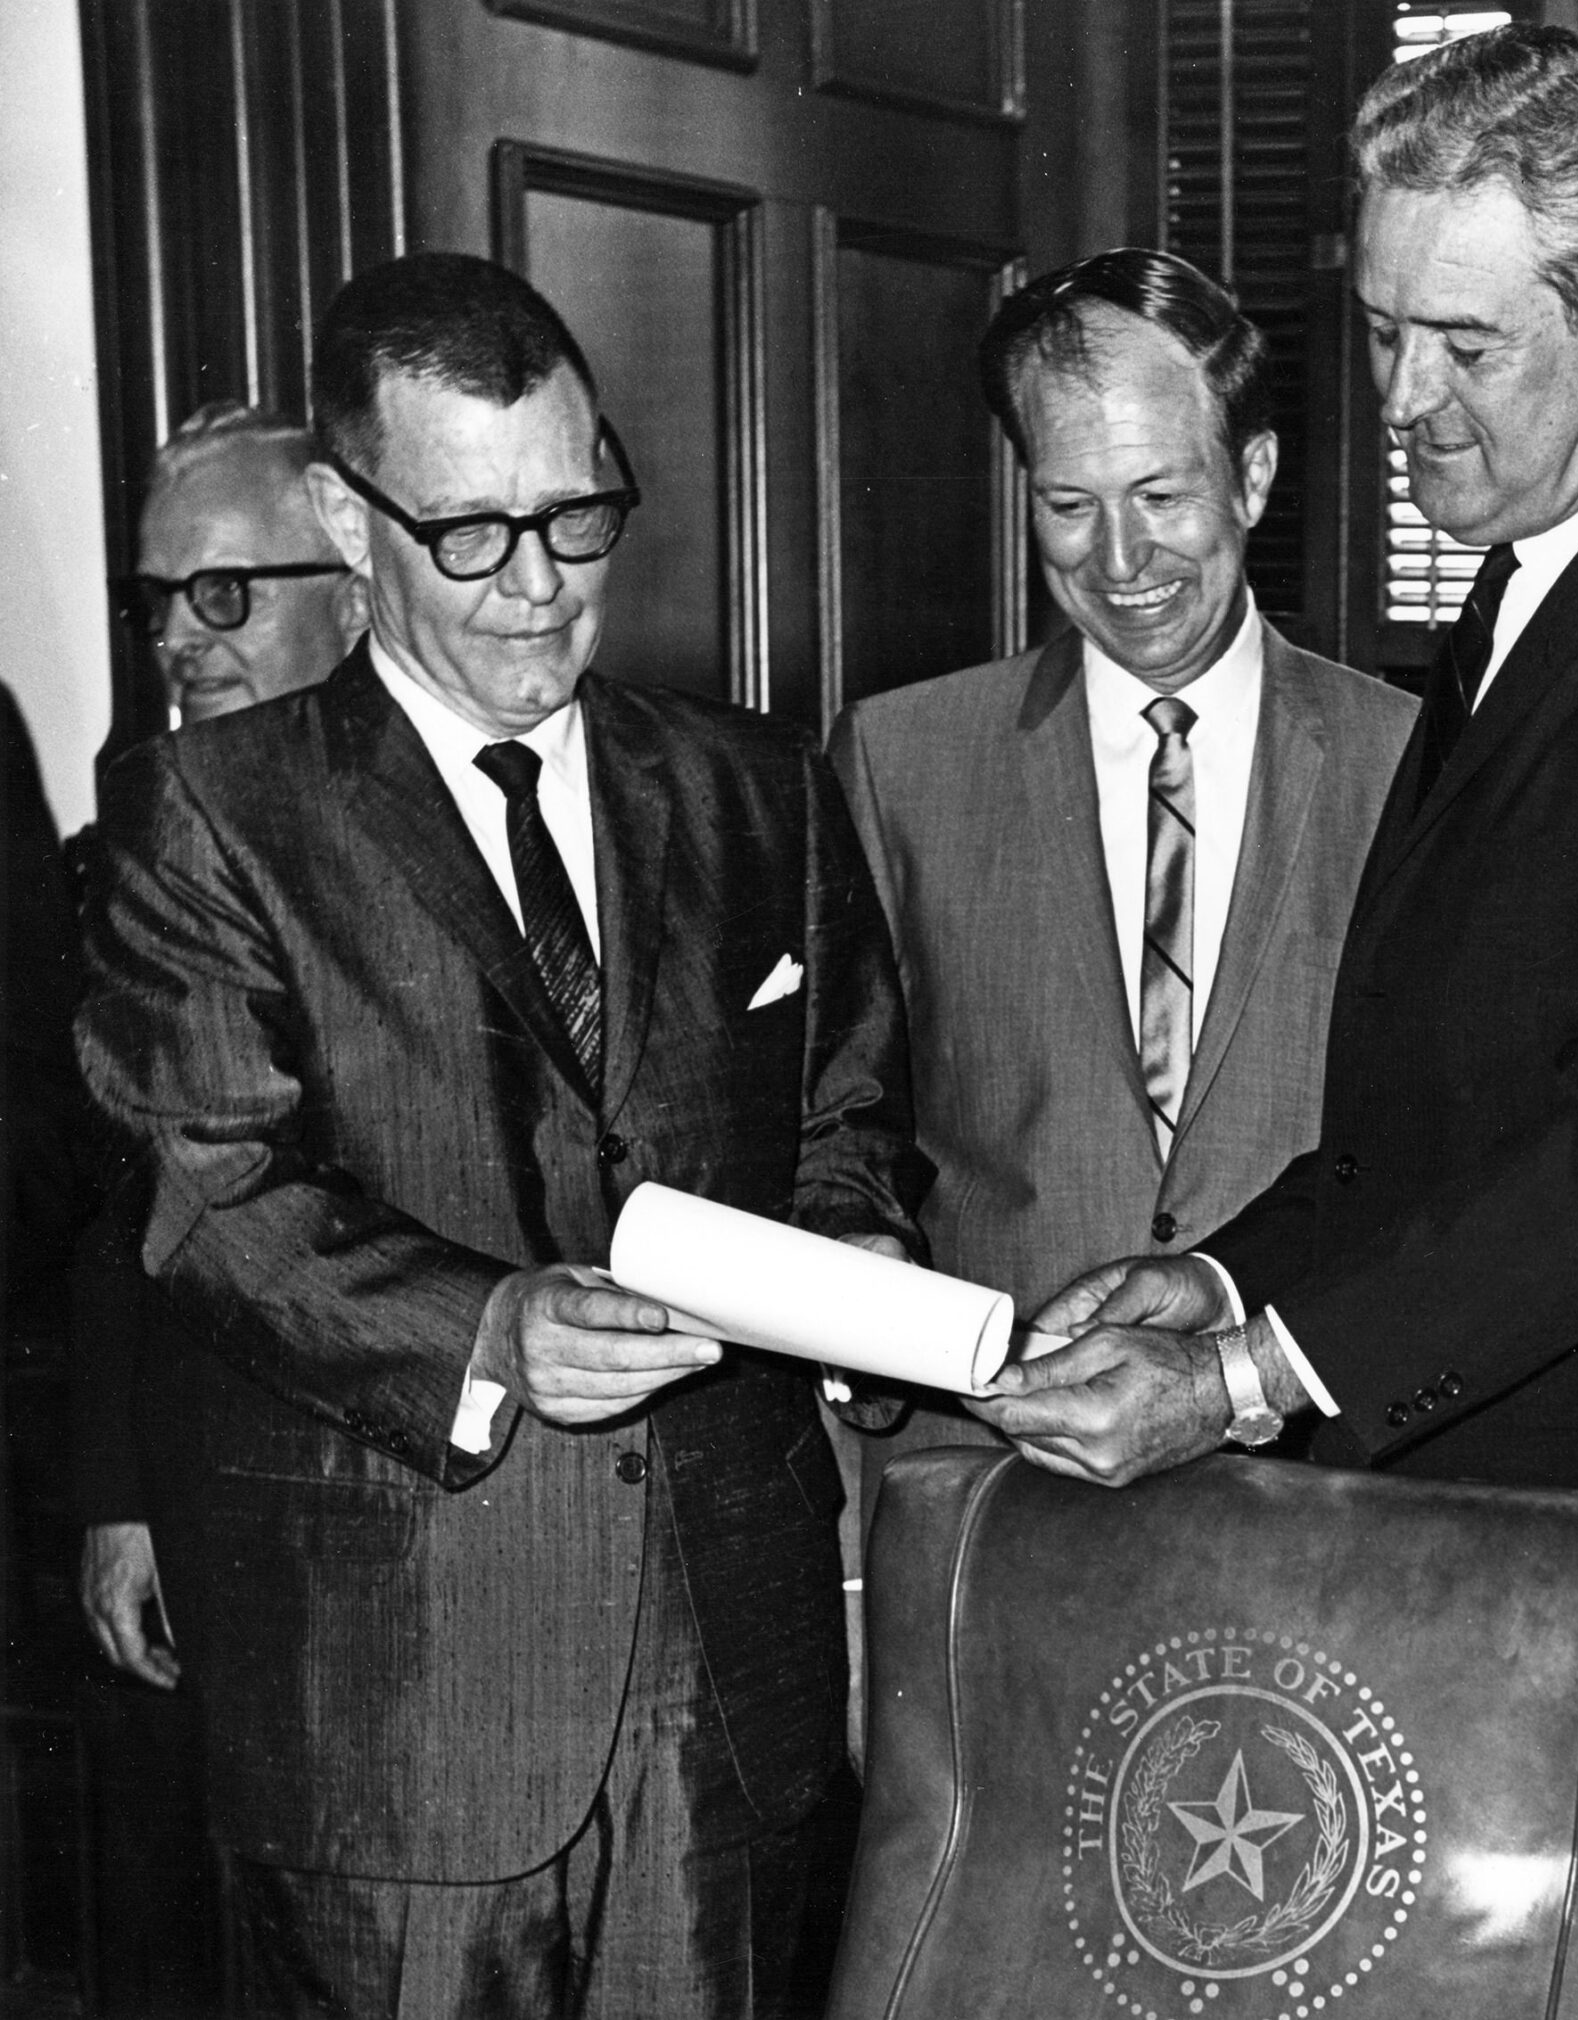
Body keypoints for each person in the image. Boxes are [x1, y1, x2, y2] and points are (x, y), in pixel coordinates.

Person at [978, 26, 1578, 2014]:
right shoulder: (1510, 613)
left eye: (1466, 344)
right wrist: (1206, 1277)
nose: (1402, 398)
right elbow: (1422, 1134)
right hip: (1480, 1590)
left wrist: (1246, 1378)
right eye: (1383, 328)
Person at [77, 251, 929, 2017]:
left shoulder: (758, 786)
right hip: (397, 1708)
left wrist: (858, 1258)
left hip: (728, 1692)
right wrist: (492, 1328)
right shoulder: (206, 816)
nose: (540, 587)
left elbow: (843, 1114)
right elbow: (215, 1195)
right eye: (472, 534)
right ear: (347, 517)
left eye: (577, 517)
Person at [828, 247, 1413, 1513]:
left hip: (1324, 1496)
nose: (1121, 556)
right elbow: (840, 1132)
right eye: (1070, 504)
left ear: (1252, 475)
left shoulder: (1411, 763)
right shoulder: (897, 758)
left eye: (1160, 493)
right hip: (991, 1490)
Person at [82, 401, 371, 1692]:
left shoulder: (474, 827)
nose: (179, 640)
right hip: (211, 1502)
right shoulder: (118, 864)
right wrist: (119, 1494)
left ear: (353, 593)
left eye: (223, 593)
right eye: (161, 602)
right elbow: (111, 1221)